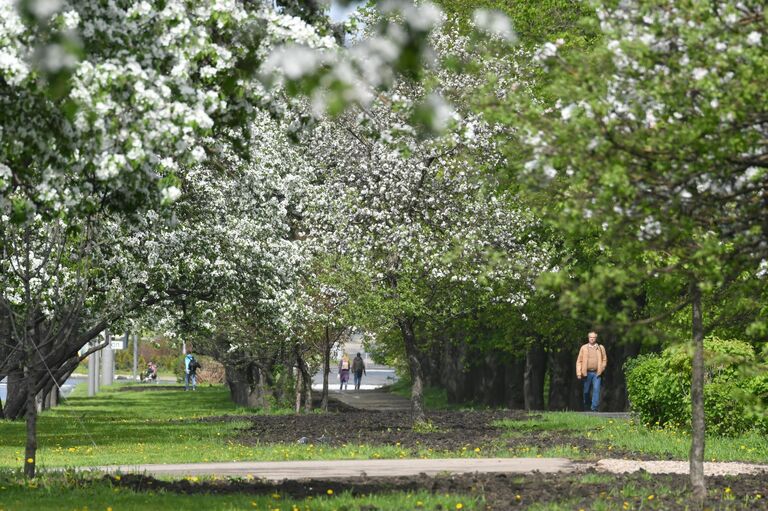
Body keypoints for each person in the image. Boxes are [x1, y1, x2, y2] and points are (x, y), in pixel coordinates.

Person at [576, 331, 607, 411]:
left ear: (596, 338)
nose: (592, 339)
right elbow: (579, 361)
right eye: (590, 337)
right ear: (588, 338)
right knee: (586, 391)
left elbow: (604, 359)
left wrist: (602, 368)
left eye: (594, 337)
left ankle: (594, 408)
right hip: (586, 372)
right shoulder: (584, 347)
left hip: (597, 372)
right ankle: (587, 405)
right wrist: (579, 373)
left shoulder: (600, 347)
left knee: (596, 389)